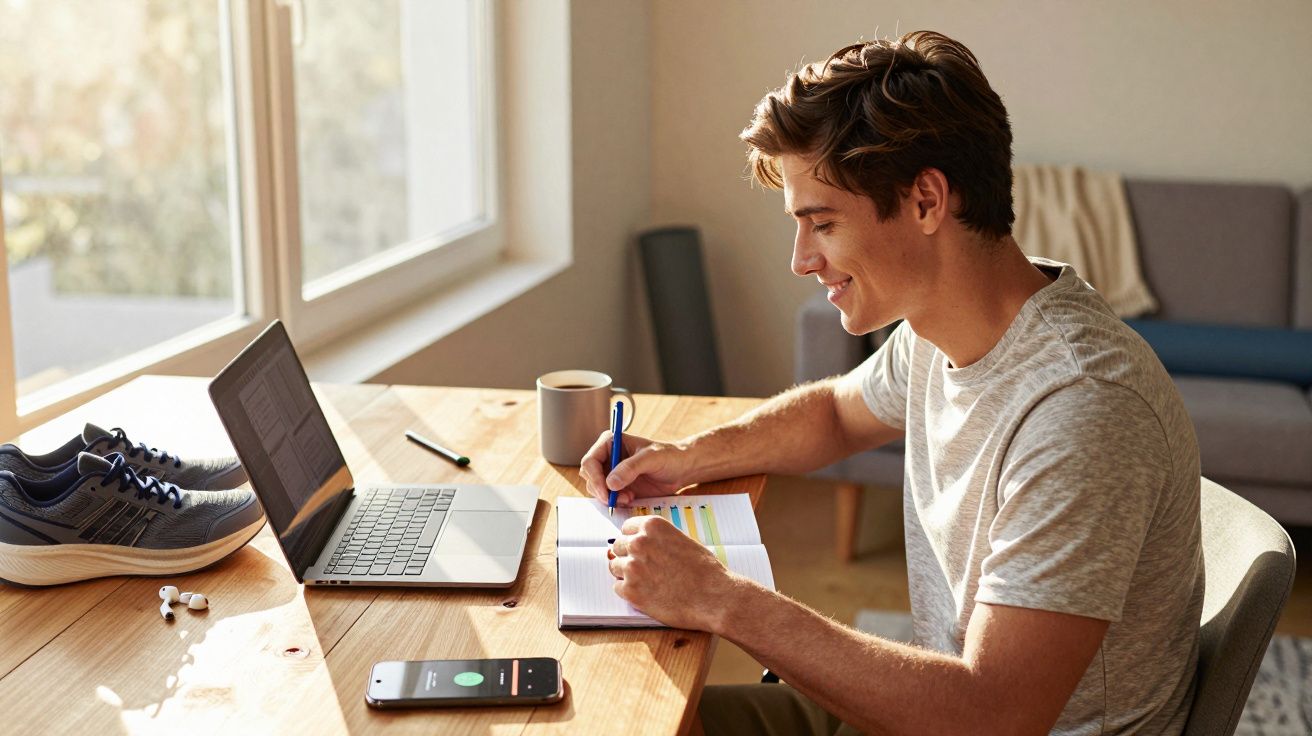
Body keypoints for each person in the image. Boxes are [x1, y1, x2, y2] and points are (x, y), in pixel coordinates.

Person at [579, 30, 1203, 735]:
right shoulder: (948, 324)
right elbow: (838, 416)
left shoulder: (1082, 411)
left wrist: (723, 600)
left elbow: (996, 716)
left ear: (927, 201)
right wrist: (684, 458)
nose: (801, 260)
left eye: (822, 224)